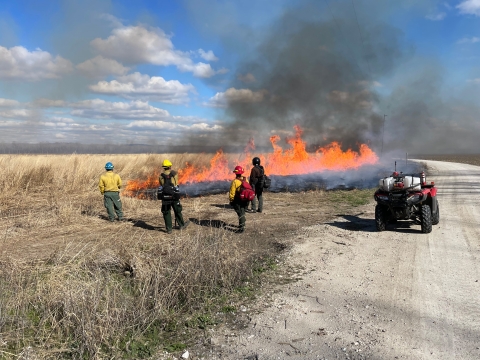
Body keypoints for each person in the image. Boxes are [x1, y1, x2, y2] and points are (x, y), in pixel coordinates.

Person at [159, 159, 189, 234]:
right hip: (174, 196)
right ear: (170, 166)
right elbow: (176, 184)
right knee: (177, 210)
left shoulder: (161, 176)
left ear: (164, 167)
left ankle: (169, 229)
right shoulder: (174, 174)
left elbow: (161, 185)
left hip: (165, 197)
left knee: (166, 212)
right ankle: (181, 225)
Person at [229, 165, 249, 233]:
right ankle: (242, 224)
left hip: (238, 200)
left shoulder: (235, 181)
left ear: (236, 173)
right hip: (245, 199)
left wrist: (231, 200)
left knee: (240, 213)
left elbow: (232, 192)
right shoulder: (245, 179)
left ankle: (241, 228)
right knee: (242, 212)